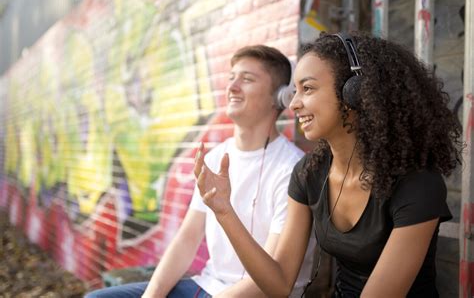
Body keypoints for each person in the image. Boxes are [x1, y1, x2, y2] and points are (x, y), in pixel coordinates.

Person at [195, 32, 462, 297]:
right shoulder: (309, 172)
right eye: (295, 91)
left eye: (308, 88)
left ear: (354, 93)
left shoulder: (417, 182)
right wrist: (224, 212)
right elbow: (278, 284)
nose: (294, 104)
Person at [85, 45, 314, 298]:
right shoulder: (215, 157)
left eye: (247, 79)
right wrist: (153, 295)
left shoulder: (291, 169)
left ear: (280, 97)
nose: (232, 87)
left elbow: (269, 283)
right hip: (208, 285)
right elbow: (186, 240)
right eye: (231, 78)